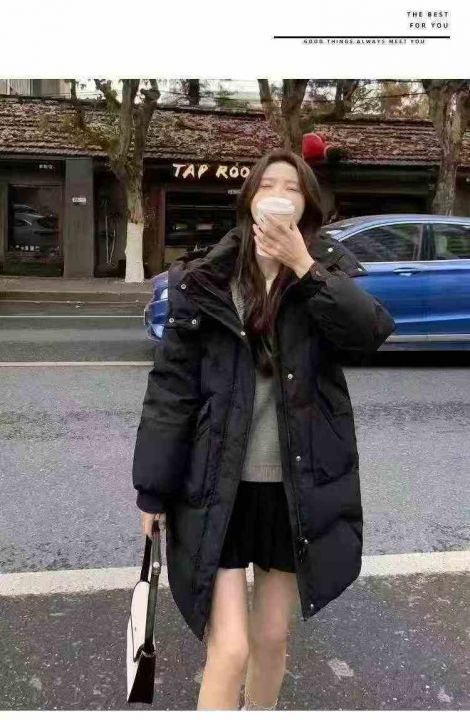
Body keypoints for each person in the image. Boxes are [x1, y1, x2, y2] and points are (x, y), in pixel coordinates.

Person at [132, 148, 396, 710]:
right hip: (216, 485)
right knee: (230, 649)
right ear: (250, 200)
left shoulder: (324, 274)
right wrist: (152, 490)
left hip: (291, 490)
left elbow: (369, 334)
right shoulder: (205, 279)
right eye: (268, 184)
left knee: (272, 638)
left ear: (307, 206)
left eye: (292, 187)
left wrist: (304, 266)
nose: (279, 194)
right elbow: (171, 389)